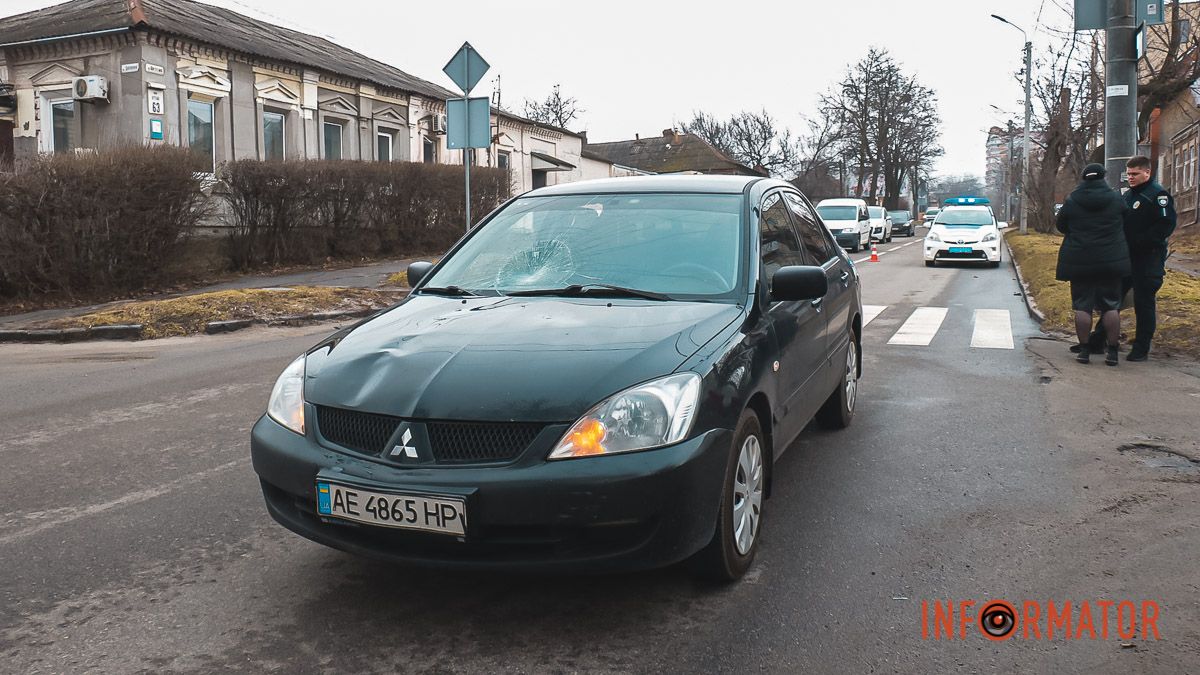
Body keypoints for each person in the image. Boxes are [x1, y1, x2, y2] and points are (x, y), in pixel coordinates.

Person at [1055, 163, 1131, 366]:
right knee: (1111, 306)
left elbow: (1061, 225)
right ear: (1104, 177)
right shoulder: (1117, 199)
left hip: (1080, 261)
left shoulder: (1072, 200)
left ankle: (1084, 351)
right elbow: (1127, 222)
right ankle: (1113, 352)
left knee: (1082, 306)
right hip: (1111, 261)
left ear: (1084, 178)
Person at [1121, 156, 1177, 361]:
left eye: (1135, 174)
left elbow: (1166, 225)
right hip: (1127, 257)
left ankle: (1141, 347)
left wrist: (1141, 241)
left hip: (1148, 258)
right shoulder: (1128, 195)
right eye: (1128, 174)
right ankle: (1100, 338)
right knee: (1114, 297)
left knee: (1143, 303)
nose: (1131, 177)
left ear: (1147, 172)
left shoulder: (1158, 195)